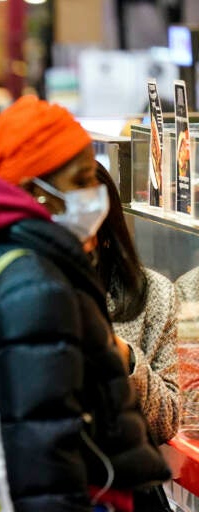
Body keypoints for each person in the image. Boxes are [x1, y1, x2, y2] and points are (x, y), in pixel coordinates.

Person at [0, 96, 170, 511]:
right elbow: (43, 452)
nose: (95, 193)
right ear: (33, 191)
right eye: (80, 180)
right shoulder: (38, 285)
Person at [94, 162, 180, 445]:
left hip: (121, 475)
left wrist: (124, 356)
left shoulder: (155, 294)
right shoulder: (23, 288)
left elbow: (168, 421)